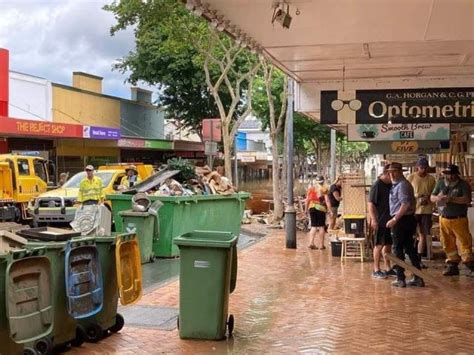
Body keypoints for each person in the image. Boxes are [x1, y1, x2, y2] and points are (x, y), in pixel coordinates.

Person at [431, 164, 474, 276]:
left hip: (458, 218)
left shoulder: (463, 185)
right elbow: (432, 196)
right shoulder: (440, 183)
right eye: (447, 174)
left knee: (464, 242)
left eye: (451, 174)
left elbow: (466, 199)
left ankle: (470, 263)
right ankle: (452, 264)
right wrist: (438, 198)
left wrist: (451, 199)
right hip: (444, 218)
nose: (449, 177)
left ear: (456, 174)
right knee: (446, 242)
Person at [386, 162, 425, 288]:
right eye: (390, 172)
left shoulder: (402, 185)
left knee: (398, 248)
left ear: (400, 172)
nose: (391, 174)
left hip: (403, 220)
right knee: (409, 248)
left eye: (394, 171)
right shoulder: (397, 184)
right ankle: (417, 277)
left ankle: (400, 278)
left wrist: (395, 219)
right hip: (405, 219)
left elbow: (405, 204)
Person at [407, 157, 436, 268]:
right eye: (421, 168)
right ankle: (410, 256)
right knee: (410, 234)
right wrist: (417, 197)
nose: (423, 170)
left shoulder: (431, 179)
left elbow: (435, 193)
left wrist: (428, 198)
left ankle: (419, 259)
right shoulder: (411, 177)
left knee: (423, 235)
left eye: (425, 168)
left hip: (426, 211)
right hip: (414, 210)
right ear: (417, 167)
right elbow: (407, 193)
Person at [368, 164, 396, 279]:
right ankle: (376, 269)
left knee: (388, 244)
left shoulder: (390, 185)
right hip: (380, 220)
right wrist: (374, 219)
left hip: (389, 220)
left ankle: (388, 267)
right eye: (391, 174)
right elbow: (370, 204)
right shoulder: (377, 185)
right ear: (386, 174)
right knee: (379, 244)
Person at [305, 176, 332, 250]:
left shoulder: (311, 189)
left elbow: (307, 200)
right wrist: (330, 210)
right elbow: (327, 200)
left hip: (311, 208)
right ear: (323, 181)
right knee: (321, 226)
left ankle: (311, 243)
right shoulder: (324, 189)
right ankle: (321, 245)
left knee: (313, 226)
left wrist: (306, 210)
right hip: (321, 208)